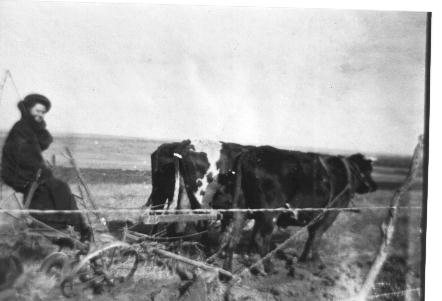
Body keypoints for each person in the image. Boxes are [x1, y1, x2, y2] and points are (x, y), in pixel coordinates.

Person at [1, 94, 92, 242]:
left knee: (59, 189)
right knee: (59, 188)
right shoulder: (21, 129)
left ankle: (71, 226)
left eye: (43, 112)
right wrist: (40, 171)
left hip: (32, 173)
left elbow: (45, 141)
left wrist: (39, 125)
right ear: (28, 109)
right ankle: (73, 227)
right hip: (18, 174)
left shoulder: (29, 127)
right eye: (37, 111)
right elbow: (22, 156)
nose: (40, 115)